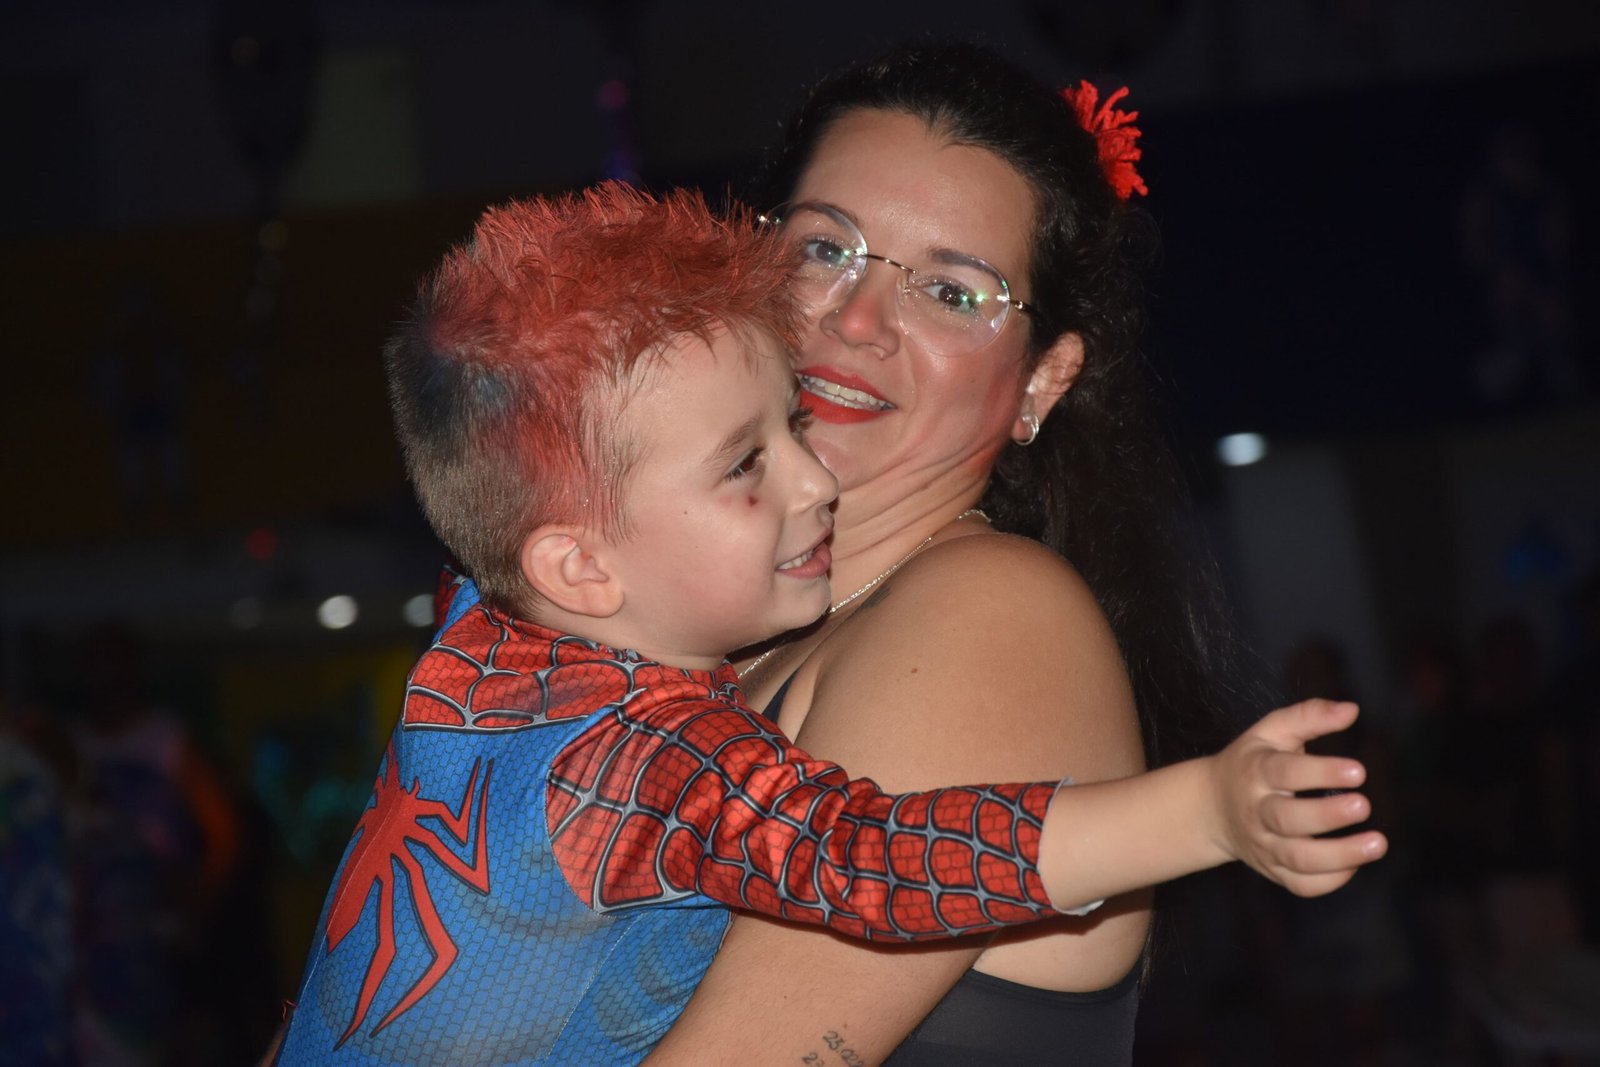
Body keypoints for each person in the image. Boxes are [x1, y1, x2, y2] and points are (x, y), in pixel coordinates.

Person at [272, 182, 1381, 1065]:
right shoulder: (644, 760)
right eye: (744, 465)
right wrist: (1205, 810)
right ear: (579, 565)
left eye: (793, 426)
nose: (815, 480)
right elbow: (872, 860)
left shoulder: (474, 639)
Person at [643, 42, 1348, 1066]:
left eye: (953, 292)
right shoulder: (715, 635)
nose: (858, 318)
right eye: (823, 248)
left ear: (1041, 383)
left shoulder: (985, 619)